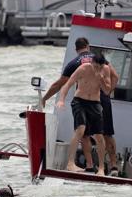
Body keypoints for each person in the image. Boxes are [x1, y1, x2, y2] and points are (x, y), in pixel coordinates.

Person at [42, 37, 120, 176]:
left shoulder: (76, 63)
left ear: (76, 49)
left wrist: (45, 98)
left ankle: (94, 166)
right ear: (88, 47)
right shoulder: (87, 66)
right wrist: (107, 95)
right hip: (87, 100)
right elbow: (116, 77)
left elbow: (59, 84)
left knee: (93, 135)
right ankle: (111, 166)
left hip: (96, 100)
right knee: (91, 131)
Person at [57, 53, 111, 176]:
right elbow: (68, 84)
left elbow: (107, 91)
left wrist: (101, 78)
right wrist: (61, 99)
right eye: (95, 66)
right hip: (79, 101)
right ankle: (70, 163)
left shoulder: (105, 70)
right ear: (92, 63)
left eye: (100, 67)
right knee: (80, 130)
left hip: (95, 103)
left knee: (99, 135)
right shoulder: (83, 68)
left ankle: (101, 168)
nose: (97, 69)